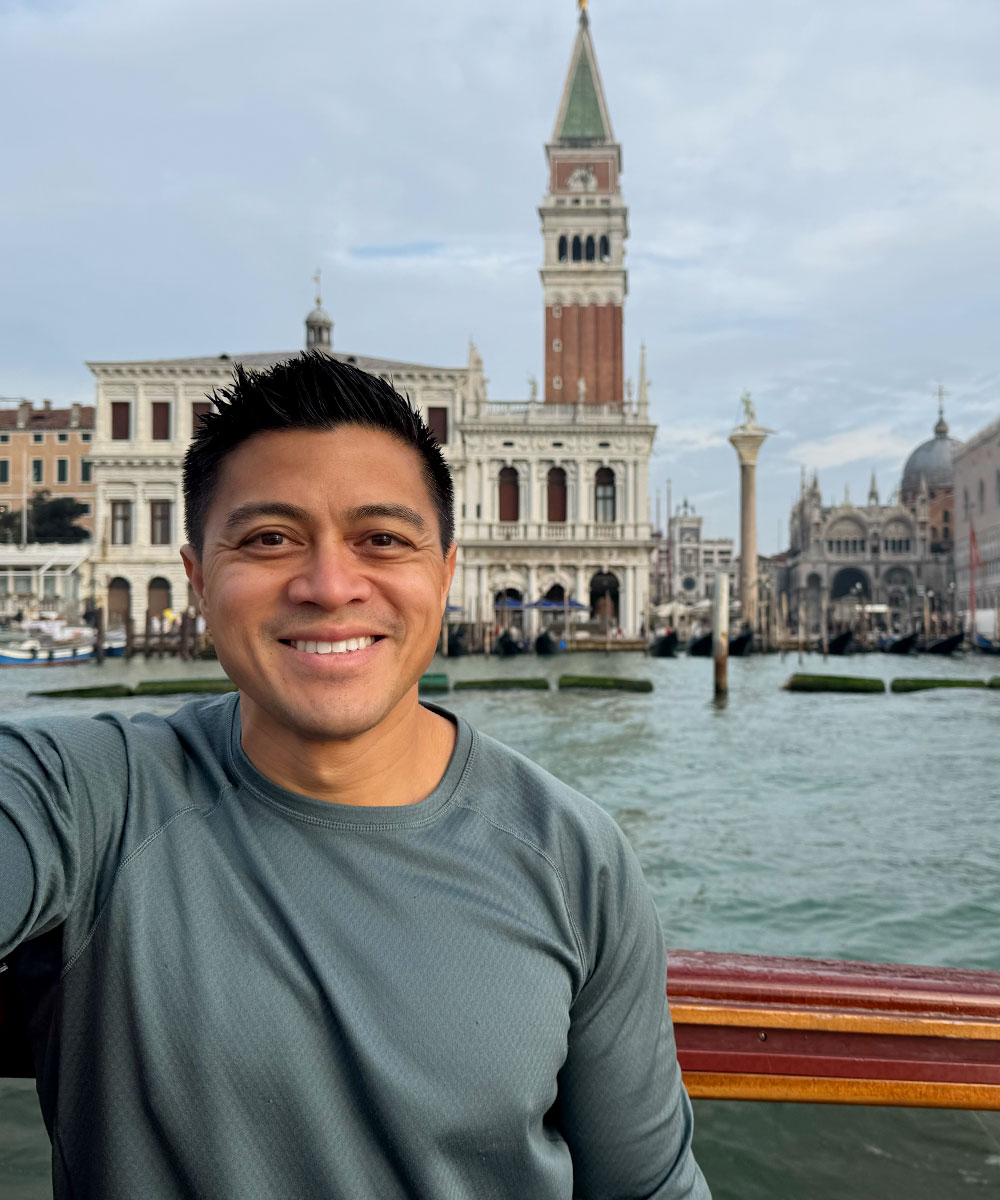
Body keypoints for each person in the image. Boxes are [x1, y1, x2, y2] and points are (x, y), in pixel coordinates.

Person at [0, 353, 709, 1199]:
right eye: (269, 538)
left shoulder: (577, 856)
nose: (330, 586)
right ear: (197, 579)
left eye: (382, 538)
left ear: (446, 573)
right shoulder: (81, 796)